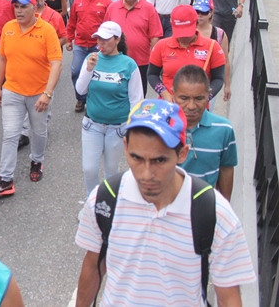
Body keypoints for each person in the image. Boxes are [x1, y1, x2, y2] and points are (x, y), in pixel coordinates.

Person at [74, 99, 256, 306]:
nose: (146, 174)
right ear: (125, 147)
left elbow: (229, 297)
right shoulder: (105, 200)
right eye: (137, 158)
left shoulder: (215, 213)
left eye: (159, 161)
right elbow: (93, 266)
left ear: (182, 153)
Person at [0, 0, 62, 195]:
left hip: (38, 93)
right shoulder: (8, 28)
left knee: (38, 131)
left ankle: (37, 161)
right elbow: (1, 59)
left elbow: (56, 63)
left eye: (23, 7)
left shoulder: (47, 30)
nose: (18, 11)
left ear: (33, 9)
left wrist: (48, 93)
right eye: (16, 7)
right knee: (10, 135)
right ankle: (5, 179)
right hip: (13, 91)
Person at [75, 22, 143, 194]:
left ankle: (108, 205)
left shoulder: (129, 64)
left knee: (111, 171)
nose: (100, 43)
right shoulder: (91, 59)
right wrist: (89, 69)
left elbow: (136, 100)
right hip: (92, 125)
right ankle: (92, 204)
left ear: (117, 39)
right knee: (89, 169)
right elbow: (80, 90)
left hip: (118, 128)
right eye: (98, 39)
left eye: (105, 39)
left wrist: (132, 128)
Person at [172, 65, 237, 201]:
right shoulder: (161, 127)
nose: (191, 106)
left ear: (209, 95)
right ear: (173, 95)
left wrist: (224, 208)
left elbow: (226, 169)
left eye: (199, 99)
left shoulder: (224, 129)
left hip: (204, 206)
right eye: (184, 98)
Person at [148, 4, 226, 102]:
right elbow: (152, 74)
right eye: (180, 31)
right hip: (169, 104)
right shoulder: (161, 46)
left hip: (198, 107)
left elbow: (218, 78)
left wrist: (205, 97)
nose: (184, 37)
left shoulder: (212, 47)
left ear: (197, 24)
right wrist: (165, 94)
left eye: (187, 32)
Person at [104, 0, 162, 96]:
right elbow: (105, 32)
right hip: (116, 61)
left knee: (139, 94)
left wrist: (154, 58)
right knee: (117, 93)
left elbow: (155, 35)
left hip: (141, 62)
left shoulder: (149, 8)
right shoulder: (112, 8)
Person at [67, 0, 113, 113]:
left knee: (97, 74)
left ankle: (93, 101)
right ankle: (81, 98)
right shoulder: (78, 0)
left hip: (97, 46)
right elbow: (72, 21)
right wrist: (69, 39)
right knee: (76, 71)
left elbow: (110, 24)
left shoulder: (106, 2)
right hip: (80, 43)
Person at [193, 0, 231, 103]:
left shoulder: (219, 34)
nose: (199, 15)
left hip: (209, 85)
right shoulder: (187, 32)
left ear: (211, 13)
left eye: (203, 12)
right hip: (188, 82)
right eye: (196, 11)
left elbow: (226, 62)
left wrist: (227, 85)